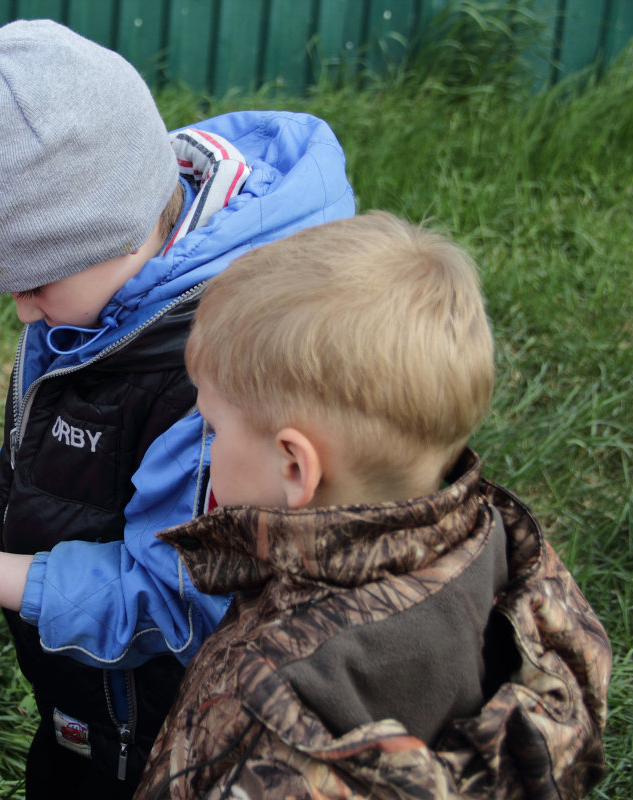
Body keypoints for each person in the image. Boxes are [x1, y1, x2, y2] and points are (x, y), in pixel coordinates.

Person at [0, 18, 355, 797]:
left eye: (34, 281)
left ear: (113, 225)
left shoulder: (217, 371)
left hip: (173, 740)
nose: (21, 314)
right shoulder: (95, 290)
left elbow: (170, 594)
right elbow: (37, 445)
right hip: (88, 717)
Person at [131, 211, 611, 799]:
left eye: (212, 427)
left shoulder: (276, 707)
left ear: (295, 466)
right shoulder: (502, 542)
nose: (206, 443)